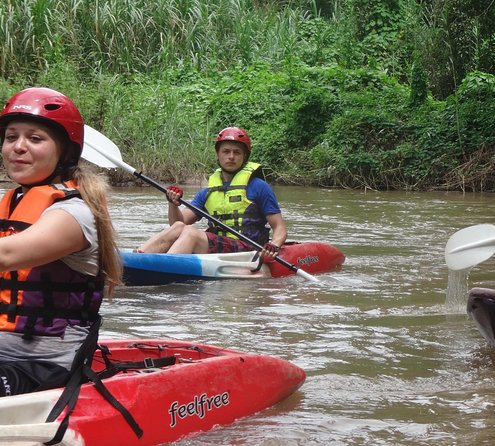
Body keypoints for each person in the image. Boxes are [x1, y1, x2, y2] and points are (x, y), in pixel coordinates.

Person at [0, 87, 122, 396]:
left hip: (45, 366)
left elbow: (6, 255)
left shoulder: (75, 213)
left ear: (65, 152)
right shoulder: (12, 202)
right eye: (11, 137)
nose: (18, 147)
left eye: (35, 139)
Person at [138, 127, 287, 259]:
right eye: (226, 151)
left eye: (237, 152)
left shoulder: (259, 187)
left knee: (191, 233)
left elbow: (279, 227)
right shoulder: (209, 191)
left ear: (245, 157)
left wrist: (274, 245)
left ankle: (163, 267)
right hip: (219, 246)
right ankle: (139, 255)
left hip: (247, 248)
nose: (231, 156)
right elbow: (177, 223)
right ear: (218, 155)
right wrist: (173, 204)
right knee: (179, 227)